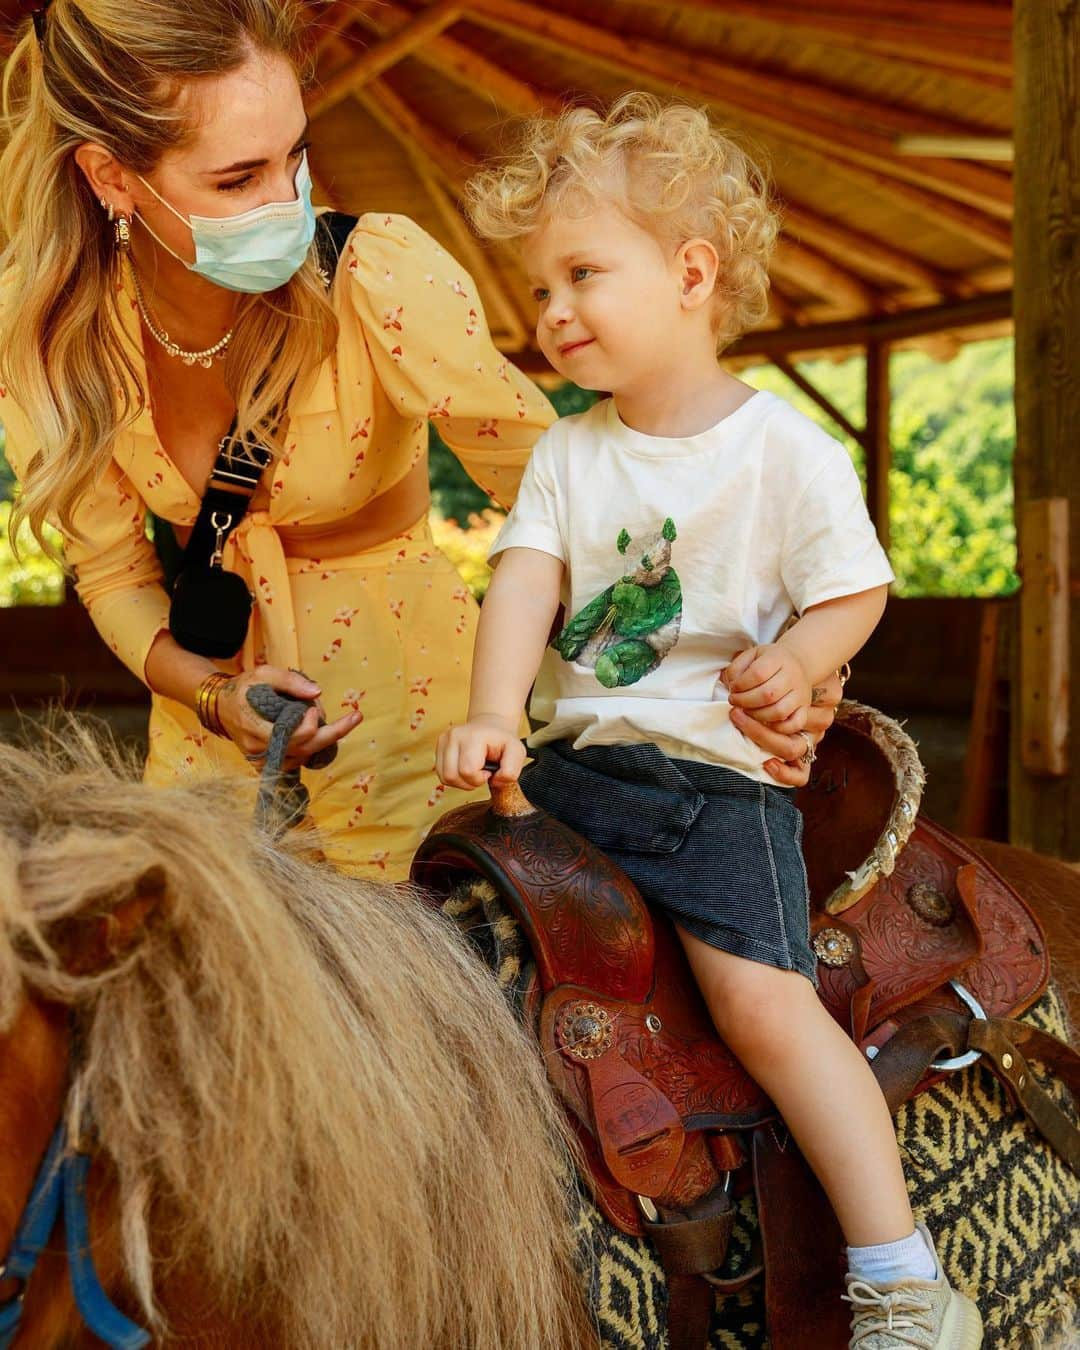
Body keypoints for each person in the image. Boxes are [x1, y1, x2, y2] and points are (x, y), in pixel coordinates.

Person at [0, 2, 832, 880]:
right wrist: (212, 697)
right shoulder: (46, 339)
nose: (287, 203)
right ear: (111, 177)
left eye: (296, 157)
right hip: (204, 763)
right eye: (239, 179)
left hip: (425, 734)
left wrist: (780, 658)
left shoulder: (378, 276)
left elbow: (584, 505)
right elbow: (113, 574)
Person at [437, 95, 983, 1349]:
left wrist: (797, 658)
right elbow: (525, 577)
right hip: (571, 785)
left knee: (764, 1010)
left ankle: (905, 1275)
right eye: (540, 290)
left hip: (712, 789)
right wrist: (490, 713)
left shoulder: (781, 451)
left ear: (690, 274)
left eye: (582, 274)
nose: (553, 311)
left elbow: (856, 585)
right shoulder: (569, 455)